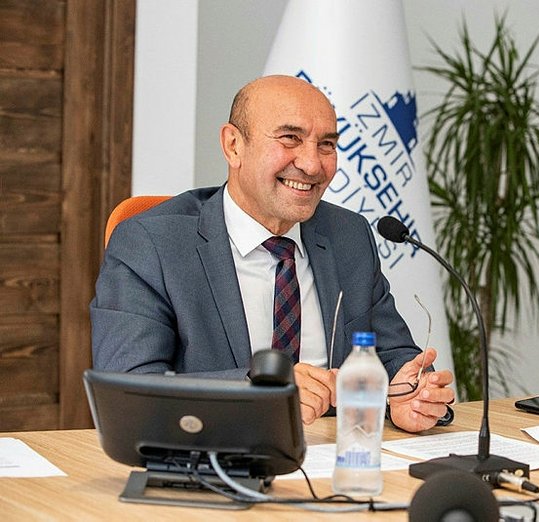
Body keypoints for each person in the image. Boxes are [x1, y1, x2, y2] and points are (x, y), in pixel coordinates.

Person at [90, 75, 454, 433]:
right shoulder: (152, 243)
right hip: (214, 452)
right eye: (290, 138)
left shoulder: (349, 235)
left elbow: (392, 356)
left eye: (326, 144)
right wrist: (260, 392)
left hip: (338, 457)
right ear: (233, 146)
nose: (312, 165)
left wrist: (411, 396)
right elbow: (128, 391)